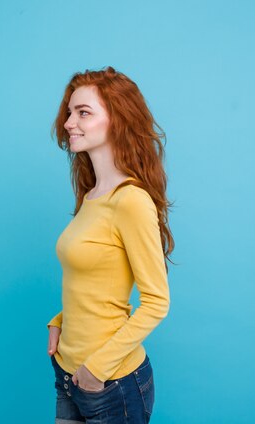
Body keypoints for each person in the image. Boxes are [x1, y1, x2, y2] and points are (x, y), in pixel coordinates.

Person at [46, 66, 174, 424]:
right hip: (67, 373)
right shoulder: (90, 197)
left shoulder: (130, 200)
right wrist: (60, 321)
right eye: (70, 112)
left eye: (83, 112)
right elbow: (94, 281)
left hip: (109, 382)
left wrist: (95, 369)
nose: (70, 122)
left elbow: (156, 302)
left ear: (117, 120)